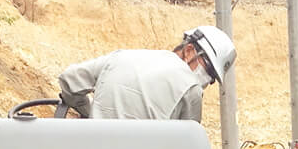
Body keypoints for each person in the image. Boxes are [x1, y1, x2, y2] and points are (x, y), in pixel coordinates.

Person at [56, 24, 235, 121]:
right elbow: (187, 147)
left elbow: (69, 80)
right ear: (189, 51)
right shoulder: (191, 88)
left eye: (212, 78)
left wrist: (90, 113)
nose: (207, 79)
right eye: (209, 69)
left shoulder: (121, 57)